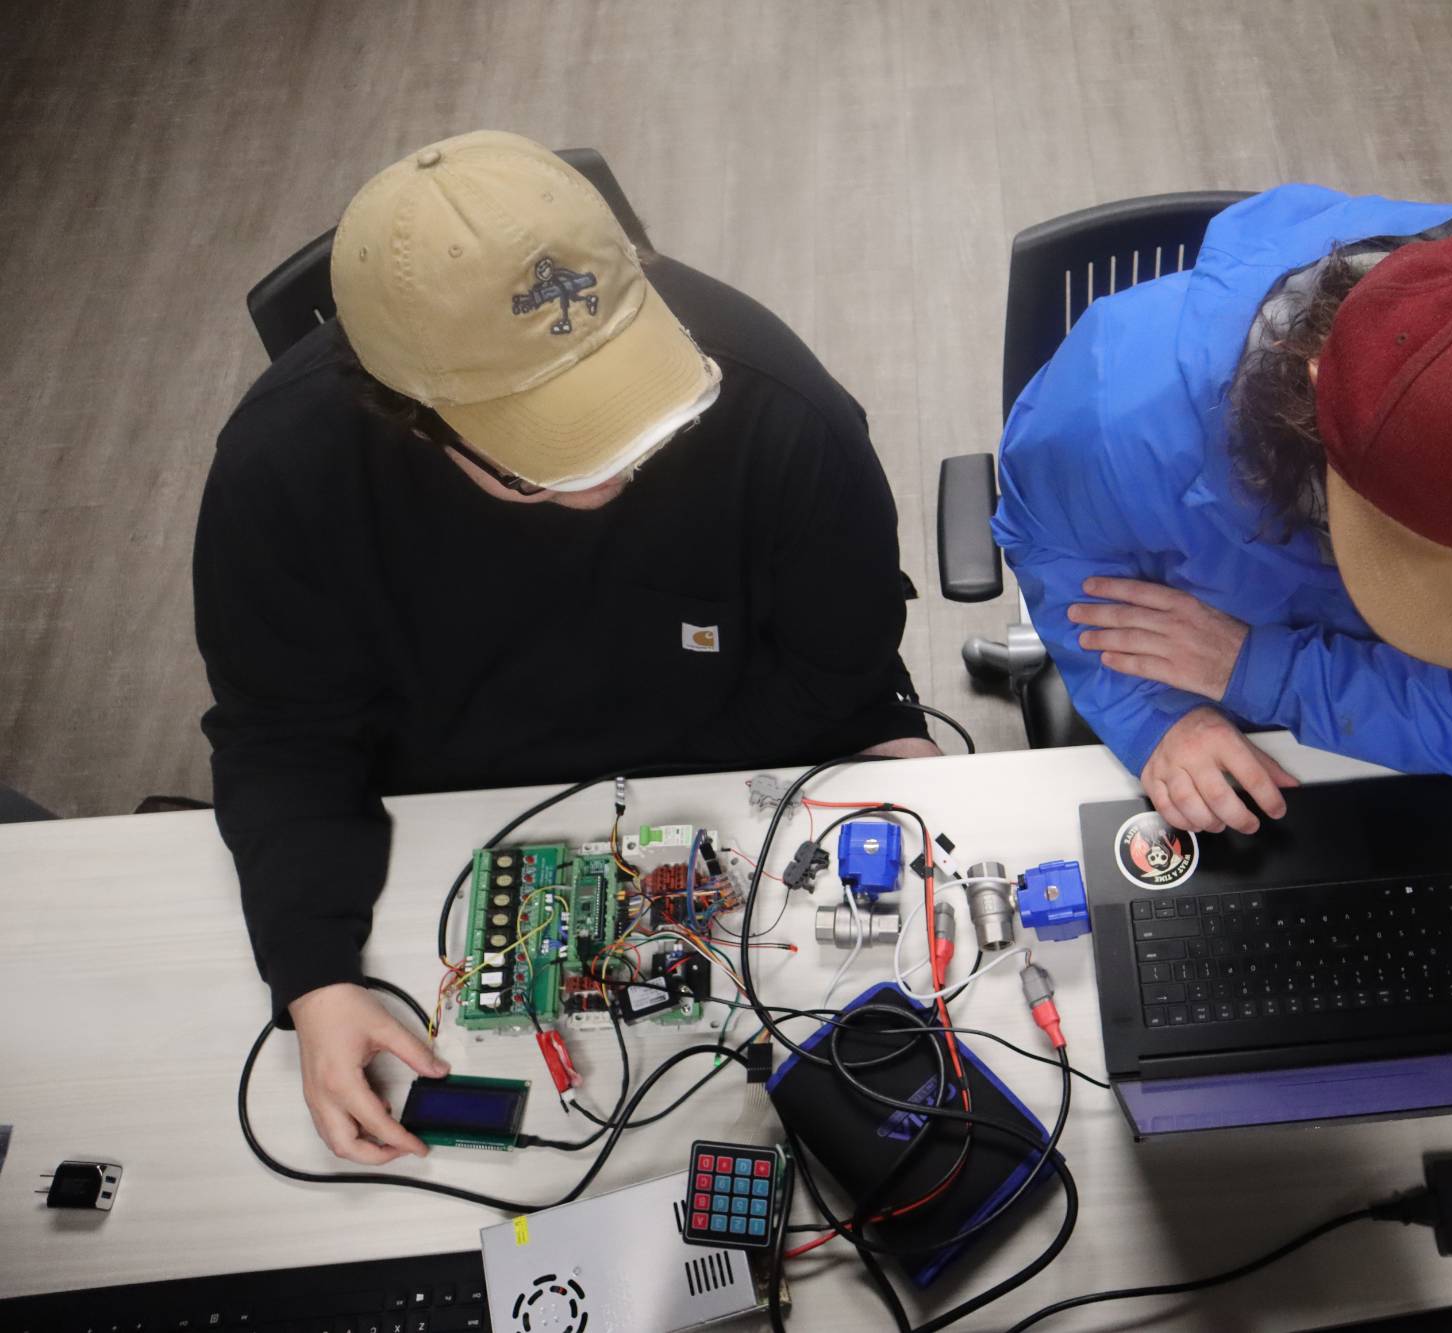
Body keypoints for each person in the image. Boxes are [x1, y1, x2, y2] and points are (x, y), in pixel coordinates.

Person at [194, 132, 935, 1165]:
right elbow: (282, 735)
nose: (614, 479)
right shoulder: (282, 474)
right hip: (445, 813)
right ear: (412, 415)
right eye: (553, 459)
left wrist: (669, 839)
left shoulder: (778, 407)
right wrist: (314, 976)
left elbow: (837, 666)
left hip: (729, 774)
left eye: (643, 412)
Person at [993, 185, 1452, 837]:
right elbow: (1048, 543)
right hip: (1202, 698)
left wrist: (1263, 670)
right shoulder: (1113, 413)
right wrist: (1157, 720)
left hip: (1339, 726)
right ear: (1313, 384)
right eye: (1412, 549)